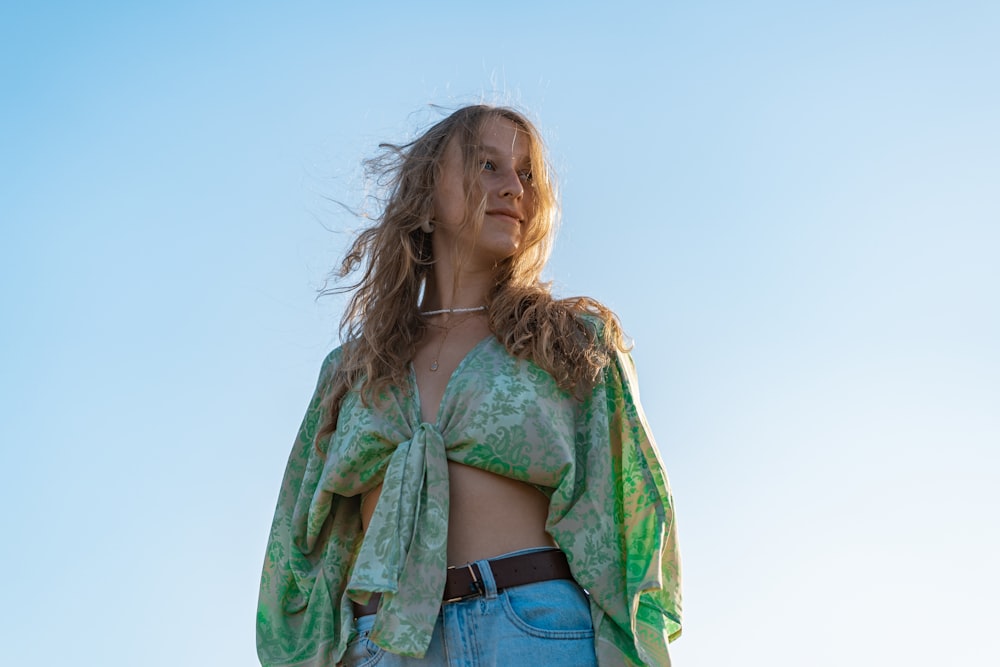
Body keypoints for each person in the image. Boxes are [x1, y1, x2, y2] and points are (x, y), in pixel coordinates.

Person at [257, 104, 681, 666]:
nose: (514, 188)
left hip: (533, 629)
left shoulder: (571, 340)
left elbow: (632, 518)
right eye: (488, 166)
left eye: (527, 174)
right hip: (381, 642)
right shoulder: (351, 369)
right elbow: (298, 542)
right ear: (427, 197)